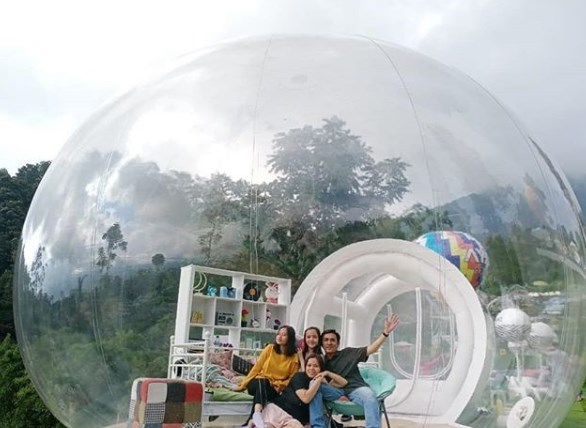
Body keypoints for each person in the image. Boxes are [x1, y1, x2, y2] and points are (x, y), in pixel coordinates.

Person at [309, 314, 400, 428]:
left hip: (355, 389)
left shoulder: (348, 353)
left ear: (338, 343)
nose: (329, 343)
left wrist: (385, 332)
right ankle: (318, 426)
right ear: (322, 344)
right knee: (313, 385)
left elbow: (372, 349)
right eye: (326, 340)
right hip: (336, 392)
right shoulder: (320, 361)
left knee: (369, 396)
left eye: (332, 340)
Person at [233, 325, 300, 428]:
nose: (280, 336)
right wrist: (243, 385)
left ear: (290, 338)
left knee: (262, 389)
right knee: (263, 381)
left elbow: (291, 378)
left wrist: (278, 384)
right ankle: (256, 415)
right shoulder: (270, 348)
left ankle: (252, 420)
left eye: (284, 335)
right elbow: (256, 368)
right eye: (279, 334)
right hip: (257, 383)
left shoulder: (294, 357)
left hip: (274, 388)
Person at [261, 353, 347, 428]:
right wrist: (318, 380)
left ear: (321, 369)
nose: (311, 368)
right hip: (279, 410)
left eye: (316, 366)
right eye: (309, 365)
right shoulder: (299, 377)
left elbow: (343, 383)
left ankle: (339, 396)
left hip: (294, 420)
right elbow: (305, 398)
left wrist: (327, 373)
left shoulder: (320, 385)